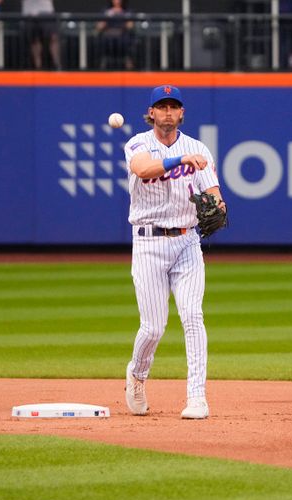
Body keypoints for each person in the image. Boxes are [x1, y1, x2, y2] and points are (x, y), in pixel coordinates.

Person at [123, 85, 226, 420]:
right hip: (148, 243)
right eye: (161, 107)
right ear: (151, 113)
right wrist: (180, 160)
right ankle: (137, 375)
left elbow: (213, 191)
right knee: (153, 327)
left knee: (193, 316)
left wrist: (217, 205)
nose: (167, 112)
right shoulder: (138, 143)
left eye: (173, 107)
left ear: (182, 113)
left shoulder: (199, 148)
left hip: (187, 242)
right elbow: (143, 169)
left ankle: (197, 397)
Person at [96, 0, 135, 70]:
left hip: (122, 36)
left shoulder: (127, 11)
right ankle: (102, 68)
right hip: (108, 37)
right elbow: (99, 27)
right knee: (104, 41)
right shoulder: (106, 11)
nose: (117, 1)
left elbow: (130, 26)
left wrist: (123, 17)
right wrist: (107, 16)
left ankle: (129, 66)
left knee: (126, 41)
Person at [22, 0, 61, 70]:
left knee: (53, 38)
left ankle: (57, 65)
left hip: (47, 12)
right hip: (29, 12)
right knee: (35, 41)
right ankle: (38, 68)